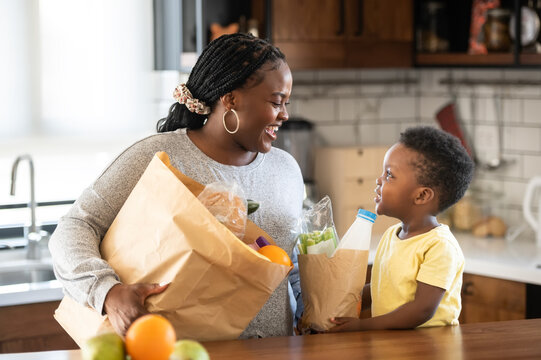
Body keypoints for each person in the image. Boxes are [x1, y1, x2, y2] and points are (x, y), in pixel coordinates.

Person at [49, 33, 304, 338]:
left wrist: (320, 309)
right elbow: (74, 228)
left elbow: (295, 267)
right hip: (178, 351)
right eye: (276, 102)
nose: (285, 115)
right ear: (231, 99)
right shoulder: (158, 157)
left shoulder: (286, 169)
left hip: (276, 352)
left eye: (286, 103)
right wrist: (108, 293)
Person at [329, 126, 474, 332]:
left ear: (422, 196)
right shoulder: (391, 235)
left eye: (389, 175)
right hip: (394, 346)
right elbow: (383, 289)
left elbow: (421, 310)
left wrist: (362, 326)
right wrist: (346, 298)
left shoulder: (440, 246)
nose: (379, 181)